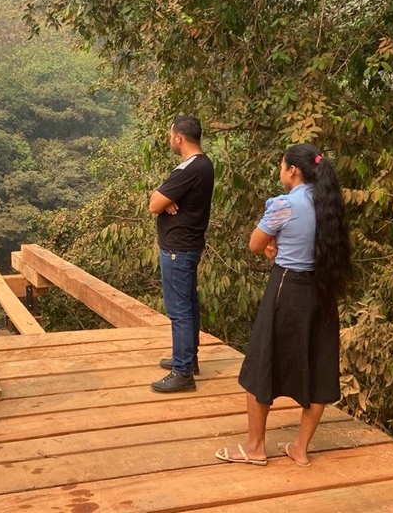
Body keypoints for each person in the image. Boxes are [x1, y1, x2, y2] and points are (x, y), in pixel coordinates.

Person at [216, 143, 351, 467]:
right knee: (318, 368)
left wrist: (271, 246)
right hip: (322, 292)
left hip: (286, 289)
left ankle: (255, 447)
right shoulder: (330, 204)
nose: (280, 173)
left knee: (261, 364)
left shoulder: (283, 205)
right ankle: (301, 448)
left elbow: (255, 243)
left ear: (293, 170)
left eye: (281, 166)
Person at [148, 115, 215, 393]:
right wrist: (168, 200)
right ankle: (187, 359)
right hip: (188, 245)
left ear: (179, 137)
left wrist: (165, 200)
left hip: (178, 248)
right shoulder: (204, 165)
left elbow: (154, 203)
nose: (169, 139)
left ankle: (183, 372)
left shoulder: (188, 169)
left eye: (169, 134)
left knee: (179, 310)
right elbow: (163, 200)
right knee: (188, 304)